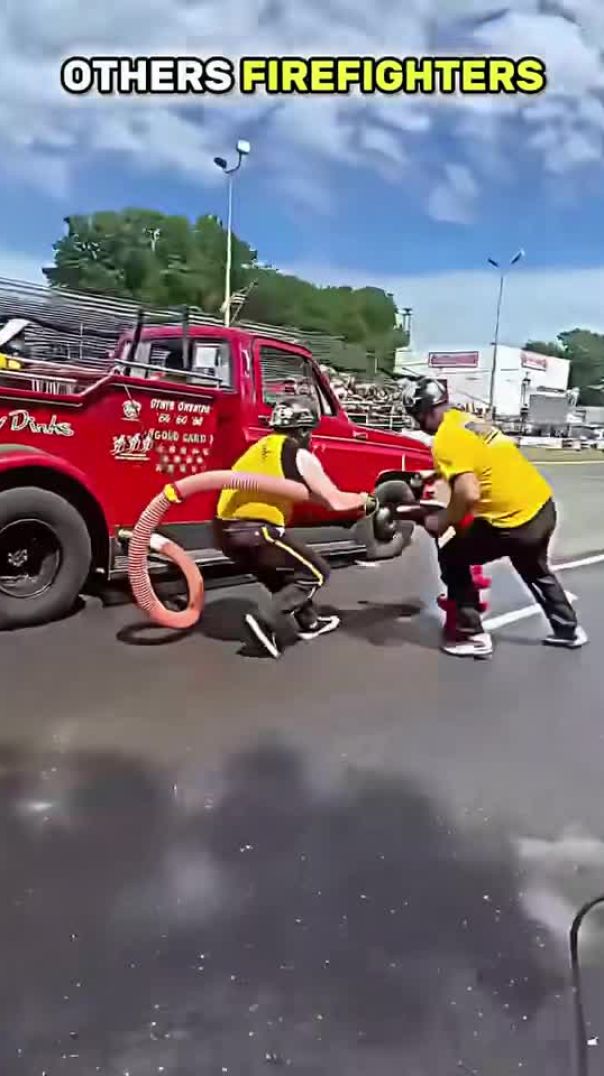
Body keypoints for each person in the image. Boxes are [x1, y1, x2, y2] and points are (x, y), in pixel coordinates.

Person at [402, 377, 588, 659]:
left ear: (424, 412)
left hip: (512, 523)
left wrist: (442, 521)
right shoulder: (466, 421)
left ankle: (472, 634)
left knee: (452, 554)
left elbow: (468, 493)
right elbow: (478, 457)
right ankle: (569, 629)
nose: (418, 424)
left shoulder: (445, 439)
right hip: (541, 508)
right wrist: (438, 473)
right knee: (535, 567)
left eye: (416, 416)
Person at [214, 395, 372, 658]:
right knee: (316, 572)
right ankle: (265, 619)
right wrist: (366, 501)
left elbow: (309, 496)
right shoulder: (298, 454)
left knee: (284, 580)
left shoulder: (258, 448)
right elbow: (335, 501)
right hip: (256, 530)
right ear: (304, 430)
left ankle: (310, 621)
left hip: (224, 532)